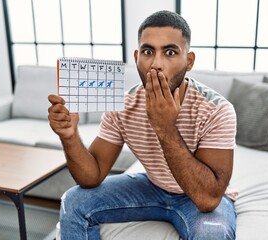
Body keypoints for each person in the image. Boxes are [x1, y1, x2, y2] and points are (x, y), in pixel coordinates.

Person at [48, 10, 237, 240]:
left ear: (189, 61)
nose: (156, 64)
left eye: (170, 52)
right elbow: (91, 177)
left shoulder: (216, 109)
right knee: (73, 201)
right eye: (148, 52)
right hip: (151, 186)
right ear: (137, 56)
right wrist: (69, 136)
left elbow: (207, 200)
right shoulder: (123, 104)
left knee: (212, 233)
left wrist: (165, 128)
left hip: (196, 196)